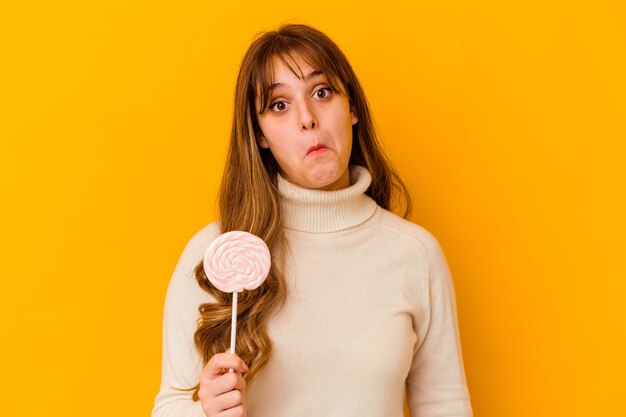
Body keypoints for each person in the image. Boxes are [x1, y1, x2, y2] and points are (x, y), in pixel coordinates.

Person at [151, 23, 473, 417]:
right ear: (261, 135)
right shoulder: (215, 256)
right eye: (279, 105)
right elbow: (168, 406)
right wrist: (204, 412)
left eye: (322, 93)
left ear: (352, 107)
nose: (307, 118)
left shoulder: (415, 254)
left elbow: (445, 407)